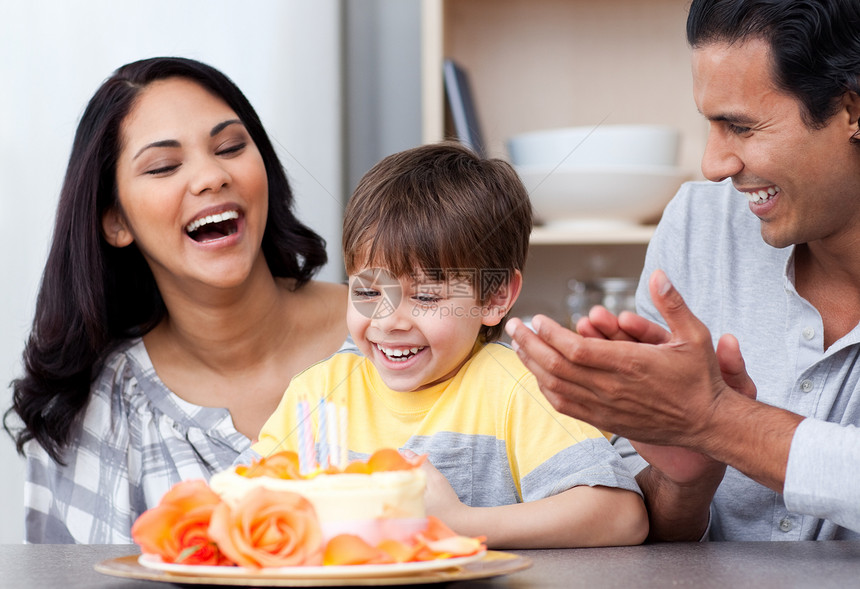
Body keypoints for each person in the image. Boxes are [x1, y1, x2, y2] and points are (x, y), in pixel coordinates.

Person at [506, 0, 860, 542]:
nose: (713, 165)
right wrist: (682, 476)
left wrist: (714, 420)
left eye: (739, 127)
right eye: (710, 125)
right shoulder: (701, 224)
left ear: (852, 112)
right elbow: (660, 537)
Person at [3, 57, 349, 544]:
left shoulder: (397, 332)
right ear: (116, 221)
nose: (211, 176)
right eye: (164, 166)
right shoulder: (97, 409)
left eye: (230, 147)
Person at [249, 142, 649, 549]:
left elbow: (621, 517)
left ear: (494, 297)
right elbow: (244, 503)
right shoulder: (314, 394)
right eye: (369, 292)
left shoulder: (516, 388)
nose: (388, 321)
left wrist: (461, 522)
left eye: (425, 297)